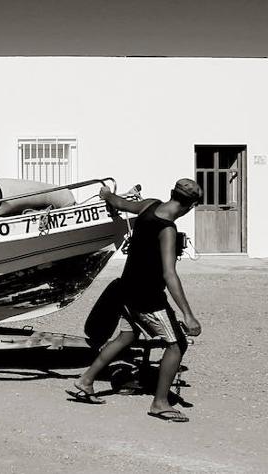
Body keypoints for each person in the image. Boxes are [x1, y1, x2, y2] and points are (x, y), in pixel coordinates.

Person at [66, 178, 204, 422]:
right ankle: (160, 403)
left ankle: (86, 381)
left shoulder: (149, 205)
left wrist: (106, 194)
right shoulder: (167, 229)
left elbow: (119, 203)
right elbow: (169, 274)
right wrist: (188, 314)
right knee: (177, 344)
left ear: (172, 193)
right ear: (191, 206)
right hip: (147, 297)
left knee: (127, 335)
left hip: (127, 291)